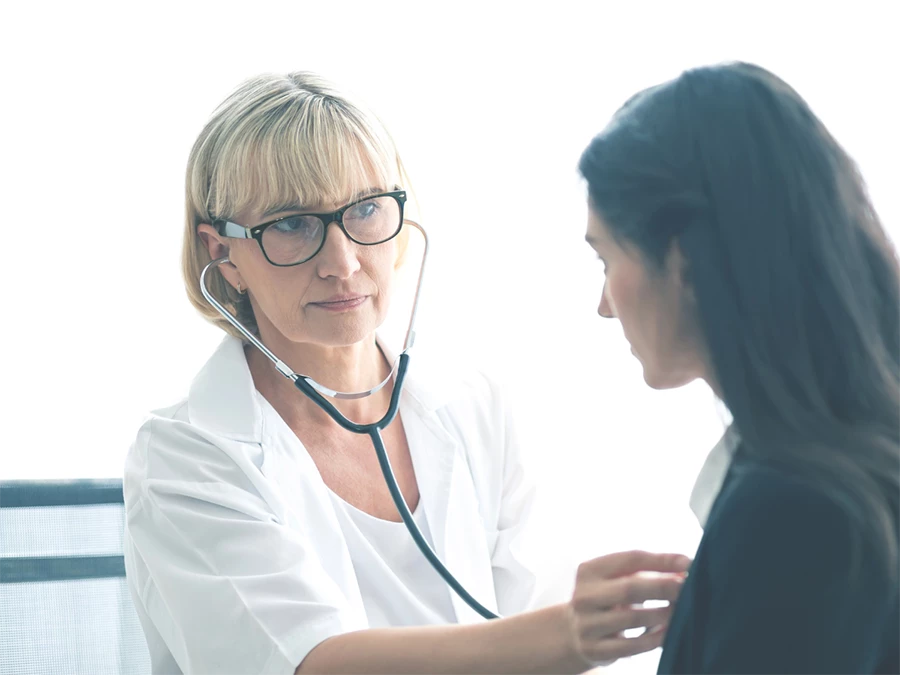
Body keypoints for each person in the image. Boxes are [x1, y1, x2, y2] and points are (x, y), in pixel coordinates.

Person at [123, 71, 689, 675]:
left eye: (365, 210)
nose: (342, 263)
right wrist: (571, 635)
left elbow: (541, 628)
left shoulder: (478, 404)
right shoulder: (184, 458)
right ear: (223, 255)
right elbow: (310, 663)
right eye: (291, 224)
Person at [579, 61, 900, 674]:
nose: (602, 306)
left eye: (606, 259)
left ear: (684, 264)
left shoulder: (792, 512)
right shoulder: (840, 462)